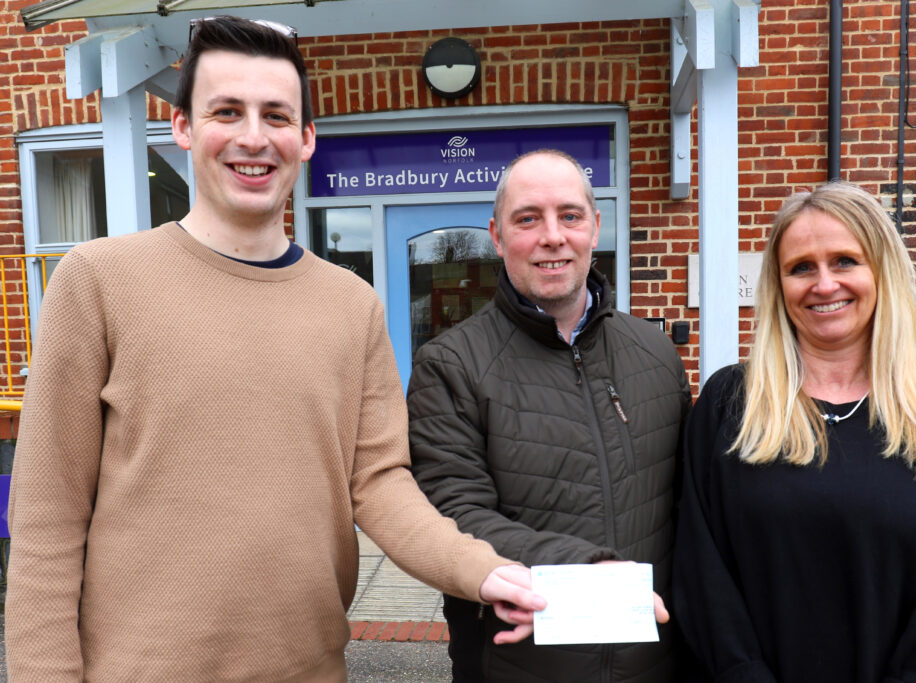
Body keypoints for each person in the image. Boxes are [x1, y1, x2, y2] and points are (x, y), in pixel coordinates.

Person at [5, 16, 545, 681]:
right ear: (183, 128)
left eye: (277, 115)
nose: (253, 137)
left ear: (307, 138)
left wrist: (484, 569)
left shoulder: (353, 305)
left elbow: (379, 486)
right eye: (226, 111)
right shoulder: (97, 281)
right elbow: (47, 520)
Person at [673, 180, 916, 682]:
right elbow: (701, 574)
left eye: (845, 261)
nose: (823, 284)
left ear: (882, 270)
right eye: (801, 267)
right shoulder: (728, 405)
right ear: (778, 285)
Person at [408, 149, 695, 681]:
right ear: (497, 236)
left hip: (652, 664)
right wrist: (588, 572)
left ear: (595, 227)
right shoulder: (450, 366)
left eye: (569, 215)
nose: (552, 236)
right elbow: (456, 516)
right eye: (528, 219)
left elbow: (688, 514)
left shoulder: (655, 353)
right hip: (517, 665)